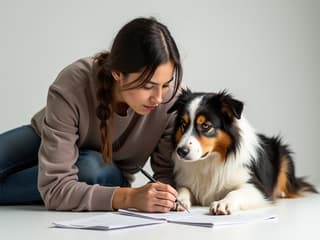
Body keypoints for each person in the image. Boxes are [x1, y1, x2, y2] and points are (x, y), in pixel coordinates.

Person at [0, 17, 183, 212]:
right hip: (45, 137)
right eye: (148, 86)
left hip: (102, 173)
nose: (158, 97)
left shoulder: (172, 101)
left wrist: (158, 197)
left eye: (166, 84)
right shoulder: (74, 82)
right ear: (117, 73)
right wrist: (131, 197)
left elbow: (166, 176)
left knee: (90, 167)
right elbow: (55, 187)